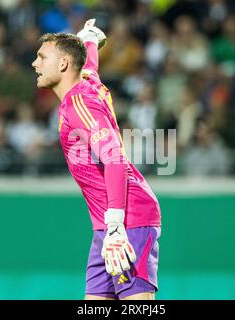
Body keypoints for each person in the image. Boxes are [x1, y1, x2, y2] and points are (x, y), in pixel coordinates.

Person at [31, 19, 161, 300]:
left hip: (127, 220)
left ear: (64, 64)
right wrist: (89, 40)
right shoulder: (88, 82)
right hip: (107, 224)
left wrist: (116, 226)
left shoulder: (79, 103)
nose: (34, 63)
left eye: (42, 57)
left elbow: (113, 157)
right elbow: (89, 65)